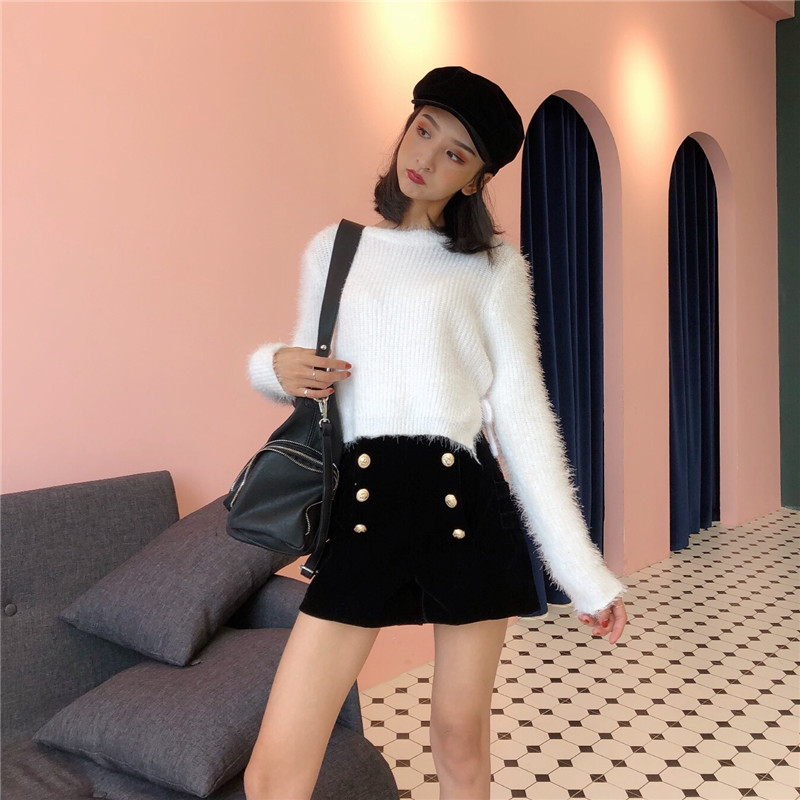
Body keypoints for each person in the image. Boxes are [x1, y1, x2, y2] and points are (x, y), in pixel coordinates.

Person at [243, 66, 628, 800]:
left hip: (463, 509)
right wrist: (272, 367)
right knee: (272, 773)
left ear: (476, 178)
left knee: (459, 741)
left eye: (455, 153)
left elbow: (523, 419)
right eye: (423, 131)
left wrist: (583, 575)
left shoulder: (492, 267)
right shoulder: (335, 249)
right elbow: (308, 373)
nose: (425, 156)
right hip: (364, 509)